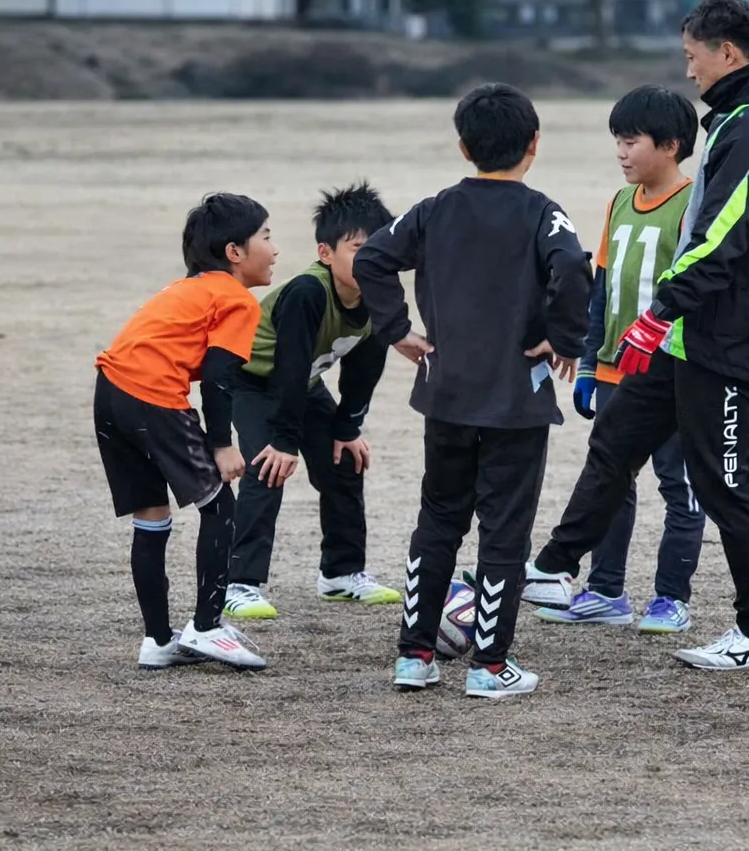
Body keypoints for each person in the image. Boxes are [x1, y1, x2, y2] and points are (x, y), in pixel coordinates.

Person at [520, 0, 749, 672]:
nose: (688, 72)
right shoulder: (746, 121)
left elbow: (727, 230)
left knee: (724, 485)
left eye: (692, 57)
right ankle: (550, 567)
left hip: (717, 336)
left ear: (727, 53)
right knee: (615, 440)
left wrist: (666, 310)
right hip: (688, 331)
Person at [354, 83, 591, 699]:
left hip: (449, 393)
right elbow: (571, 267)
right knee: (504, 530)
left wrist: (396, 329)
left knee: (439, 518)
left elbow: (373, 258)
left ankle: (414, 655)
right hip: (516, 398)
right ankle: (489, 667)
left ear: (463, 146)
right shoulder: (544, 212)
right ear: (534, 144)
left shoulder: (434, 209)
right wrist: (565, 339)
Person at [534, 85, 705, 635]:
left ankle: (672, 598)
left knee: (679, 484)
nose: (621, 152)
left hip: (671, 370)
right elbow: (601, 287)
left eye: (631, 141)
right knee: (611, 481)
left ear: (671, 145)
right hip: (614, 369)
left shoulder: (694, 205)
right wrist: (588, 363)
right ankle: (606, 590)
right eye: (617, 141)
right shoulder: (618, 202)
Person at [93, 193, 278, 671]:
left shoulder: (188, 288)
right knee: (221, 505)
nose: (274, 249)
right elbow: (219, 376)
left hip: (110, 390)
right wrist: (221, 444)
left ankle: (158, 641)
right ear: (234, 252)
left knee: (152, 516)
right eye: (266, 236)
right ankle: (207, 626)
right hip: (152, 396)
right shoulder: (235, 299)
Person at [222, 183, 400, 621]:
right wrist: (284, 440)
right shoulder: (307, 292)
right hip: (255, 382)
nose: (371, 258)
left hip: (303, 384)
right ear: (326, 253)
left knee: (345, 464)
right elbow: (287, 366)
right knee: (267, 469)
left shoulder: (380, 296)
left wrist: (347, 429)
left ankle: (341, 574)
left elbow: (363, 372)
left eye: (380, 247)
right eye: (358, 248)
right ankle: (239, 583)